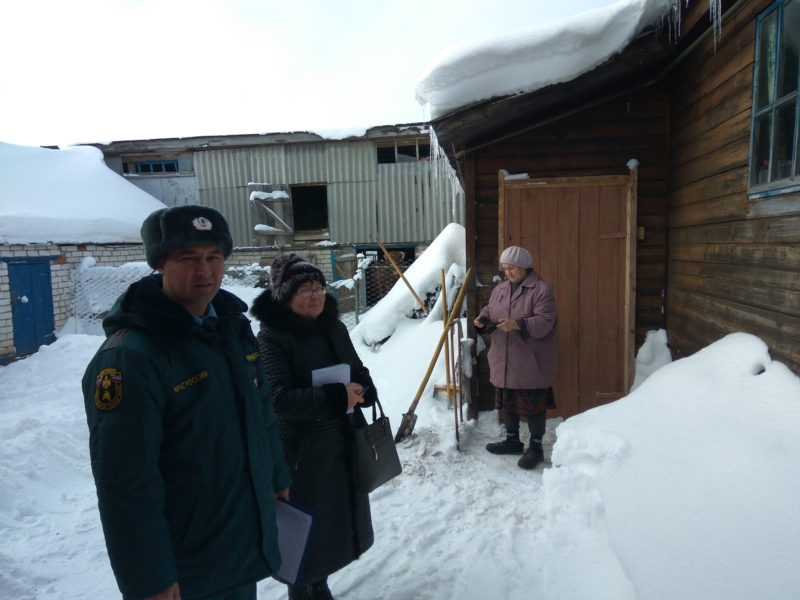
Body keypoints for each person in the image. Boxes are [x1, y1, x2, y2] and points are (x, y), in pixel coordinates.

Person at [82, 205, 291, 600]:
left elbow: (262, 416)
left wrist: (277, 479)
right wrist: (149, 579)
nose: (205, 271)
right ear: (160, 264)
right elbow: (125, 482)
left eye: (214, 257)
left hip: (239, 540)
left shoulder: (233, 328)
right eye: (188, 258)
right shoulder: (130, 358)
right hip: (185, 565)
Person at [251, 253, 377, 600]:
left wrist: (363, 388)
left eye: (319, 287)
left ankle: (319, 585)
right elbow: (279, 398)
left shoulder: (333, 327)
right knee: (301, 536)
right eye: (305, 289)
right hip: (300, 454)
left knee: (330, 528)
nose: (316, 295)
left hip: (340, 445)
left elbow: (356, 368)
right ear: (285, 296)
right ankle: (302, 590)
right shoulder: (272, 338)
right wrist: (339, 398)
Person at [474, 245, 557, 470]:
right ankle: (512, 441)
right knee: (508, 401)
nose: (507, 273)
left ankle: (536, 448)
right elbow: (491, 309)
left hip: (529, 360)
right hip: (504, 357)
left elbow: (546, 321)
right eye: (505, 269)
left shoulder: (541, 289)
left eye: (511, 268)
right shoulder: (501, 289)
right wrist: (482, 318)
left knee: (534, 405)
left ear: (523, 266)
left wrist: (518, 324)